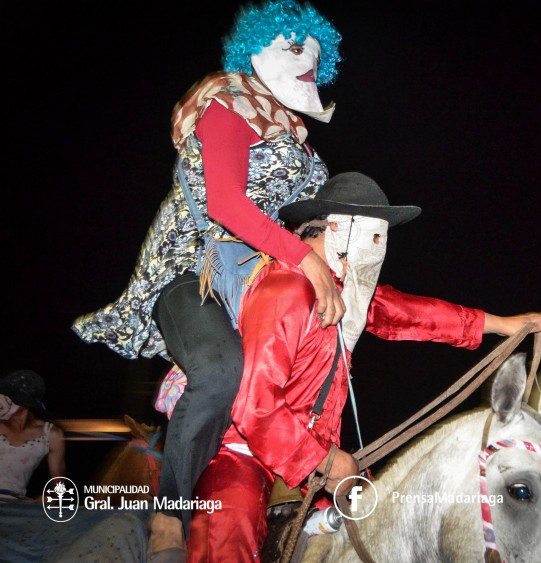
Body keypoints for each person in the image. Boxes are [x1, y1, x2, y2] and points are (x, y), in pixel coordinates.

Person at [69, 1, 348, 557]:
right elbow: (224, 202)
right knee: (222, 371)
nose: (308, 62)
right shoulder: (228, 101)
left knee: (302, 362)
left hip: (256, 278)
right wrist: (306, 258)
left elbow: (314, 213)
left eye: (316, 54)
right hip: (188, 272)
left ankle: (301, 492)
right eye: (294, 47)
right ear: (256, 49)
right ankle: (170, 512)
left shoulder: (297, 140)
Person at [184, 172, 541, 562]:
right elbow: (254, 405)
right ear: (338, 229)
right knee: (229, 531)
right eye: (374, 235)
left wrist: (503, 325)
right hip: (245, 456)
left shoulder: (345, 294)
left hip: (317, 461)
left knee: (386, 527)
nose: (380, 249)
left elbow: (409, 313)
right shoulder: (287, 290)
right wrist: (326, 462)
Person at [0, 370, 66, 501]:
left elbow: (59, 486)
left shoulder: (51, 435)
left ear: (25, 403)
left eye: (8, 397)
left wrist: (48, 499)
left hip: (12, 505)